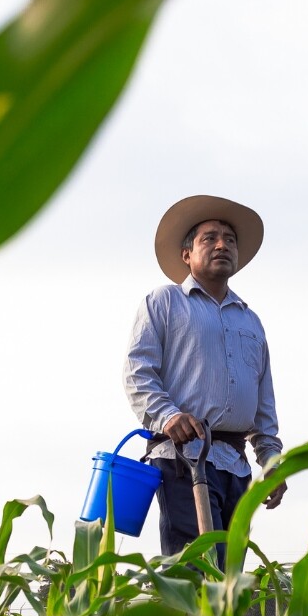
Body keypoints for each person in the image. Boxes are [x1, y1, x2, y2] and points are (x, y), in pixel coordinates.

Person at [122, 195, 287, 558]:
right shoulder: (164, 302)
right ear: (187, 255)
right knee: (195, 570)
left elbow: (263, 406)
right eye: (209, 238)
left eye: (230, 239)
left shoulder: (250, 321)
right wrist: (168, 416)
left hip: (235, 465)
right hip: (184, 458)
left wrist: (271, 461)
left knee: (229, 578)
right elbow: (138, 372)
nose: (222, 245)